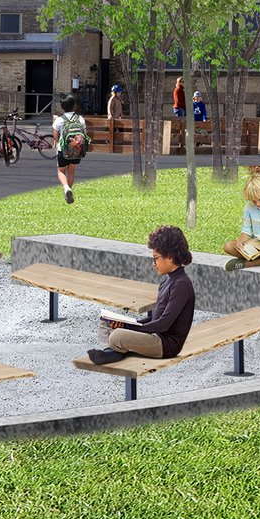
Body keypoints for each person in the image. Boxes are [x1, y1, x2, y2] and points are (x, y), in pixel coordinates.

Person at [86, 226, 197, 363]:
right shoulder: (166, 283)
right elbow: (154, 319)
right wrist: (126, 323)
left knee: (117, 336)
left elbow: (163, 325)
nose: (153, 264)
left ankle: (114, 350)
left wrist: (127, 327)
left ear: (170, 256)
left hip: (165, 345)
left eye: (155, 258)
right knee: (106, 323)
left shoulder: (181, 285)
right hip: (154, 336)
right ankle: (114, 351)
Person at [49, 93, 90, 204]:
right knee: (71, 170)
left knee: (61, 171)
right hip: (77, 150)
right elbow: (85, 134)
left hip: (63, 150)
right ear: (74, 105)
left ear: (62, 106)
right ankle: (69, 190)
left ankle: (66, 188)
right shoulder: (80, 119)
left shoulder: (59, 120)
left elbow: (55, 137)